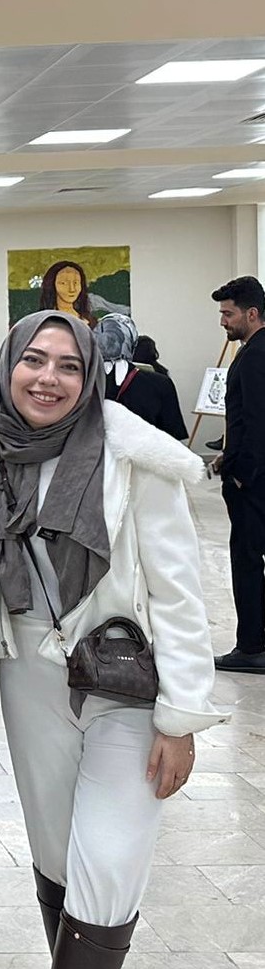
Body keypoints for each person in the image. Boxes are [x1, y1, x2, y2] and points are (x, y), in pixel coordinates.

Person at [0, 311, 222, 969]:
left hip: (124, 683)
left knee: (107, 862)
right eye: (32, 360)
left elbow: (178, 591)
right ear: (6, 367)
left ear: (92, 375)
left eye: (68, 364)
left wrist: (181, 718)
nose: (48, 377)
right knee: (55, 858)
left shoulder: (136, 457)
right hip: (29, 679)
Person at [210, 277, 265, 673]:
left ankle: (250, 646)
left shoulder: (257, 355)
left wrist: (242, 472)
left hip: (254, 482)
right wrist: (226, 455)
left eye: (228, 314)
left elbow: (258, 419)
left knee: (246, 561)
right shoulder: (254, 351)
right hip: (252, 473)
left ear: (252, 313)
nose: (223, 321)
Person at [96, 315, 187, 442]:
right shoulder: (161, 383)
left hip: (93, 452)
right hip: (147, 452)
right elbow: (173, 435)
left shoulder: (80, 383)